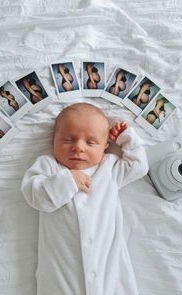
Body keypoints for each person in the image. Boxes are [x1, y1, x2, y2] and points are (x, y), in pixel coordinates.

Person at [21, 102, 149, 295]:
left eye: (90, 142)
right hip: (61, 276)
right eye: (68, 140)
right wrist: (67, 181)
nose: (78, 147)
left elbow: (139, 166)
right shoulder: (48, 167)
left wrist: (126, 138)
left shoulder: (109, 168)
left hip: (109, 272)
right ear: (53, 139)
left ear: (105, 147)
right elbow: (34, 195)